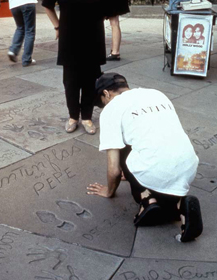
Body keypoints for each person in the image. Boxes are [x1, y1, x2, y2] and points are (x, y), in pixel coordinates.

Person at [87, 72, 203, 243]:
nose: (104, 106)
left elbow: (114, 169)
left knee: (122, 148)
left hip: (155, 168)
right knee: (150, 145)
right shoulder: (155, 93)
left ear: (106, 93)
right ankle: (180, 205)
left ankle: (147, 198)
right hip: (188, 164)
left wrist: (109, 191)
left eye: (102, 103)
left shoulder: (112, 109)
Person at [42, 0, 112, 135]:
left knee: (90, 81)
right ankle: (73, 116)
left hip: (93, 39)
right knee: (71, 82)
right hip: (69, 40)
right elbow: (47, 5)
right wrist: (58, 26)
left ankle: (88, 117)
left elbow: (107, 7)